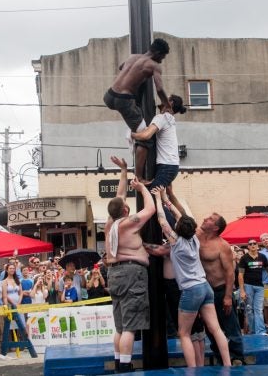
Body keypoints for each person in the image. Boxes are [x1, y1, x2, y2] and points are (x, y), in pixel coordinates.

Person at [148, 186, 231, 367]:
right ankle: (227, 364)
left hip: (191, 290)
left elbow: (162, 220)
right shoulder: (194, 238)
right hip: (205, 287)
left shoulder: (176, 242)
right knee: (216, 329)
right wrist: (164, 197)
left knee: (184, 333)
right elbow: (179, 216)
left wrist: (156, 198)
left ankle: (192, 369)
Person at [104, 155, 155, 373]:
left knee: (120, 325)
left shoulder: (110, 223)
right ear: (125, 211)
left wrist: (124, 171)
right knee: (131, 327)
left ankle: (118, 362)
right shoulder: (128, 223)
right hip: (131, 273)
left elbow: (119, 195)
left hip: (114, 274)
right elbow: (150, 209)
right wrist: (143, 189)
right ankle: (125, 366)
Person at [103, 38, 171, 181]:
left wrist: (136, 76)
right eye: (163, 57)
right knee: (146, 139)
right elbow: (159, 89)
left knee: (138, 118)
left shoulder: (133, 57)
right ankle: (139, 177)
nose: (162, 61)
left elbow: (122, 67)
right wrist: (167, 105)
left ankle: (133, 132)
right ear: (158, 53)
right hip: (124, 100)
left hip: (109, 95)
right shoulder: (154, 65)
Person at [196, 211, 244, 365]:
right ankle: (220, 355)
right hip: (205, 291)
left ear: (215, 227)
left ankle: (237, 357)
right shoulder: (197, 235)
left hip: (221, 289)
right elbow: (181, 215)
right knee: (210, 327)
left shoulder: (222, 245)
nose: (205, 218)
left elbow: (230, 273)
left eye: (210, 219)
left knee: (231, 326)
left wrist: (228, 296)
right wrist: (168, 197)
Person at [130, 94, 187, 188]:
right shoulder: (170, 119)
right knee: (157, 196)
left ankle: (139, 178)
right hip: (170, 166)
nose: (163, 98)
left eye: (166, 97)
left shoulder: (162, 117)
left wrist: (132, 135)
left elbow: (146, 135)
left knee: (152, 195)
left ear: (170, 102)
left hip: (166, 166)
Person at [238, 238, 268, 336]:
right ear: (248, 247)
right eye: (250, 244)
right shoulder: (244, 258)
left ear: (258, 246)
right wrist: (242, 290)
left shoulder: (262, 257)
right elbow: (240, 275)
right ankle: (253, 331)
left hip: (259, 286)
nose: (253, 245)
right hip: (248, 286)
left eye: (255, 243)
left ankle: (261, 332)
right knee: (249, 310)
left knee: (258, 309)